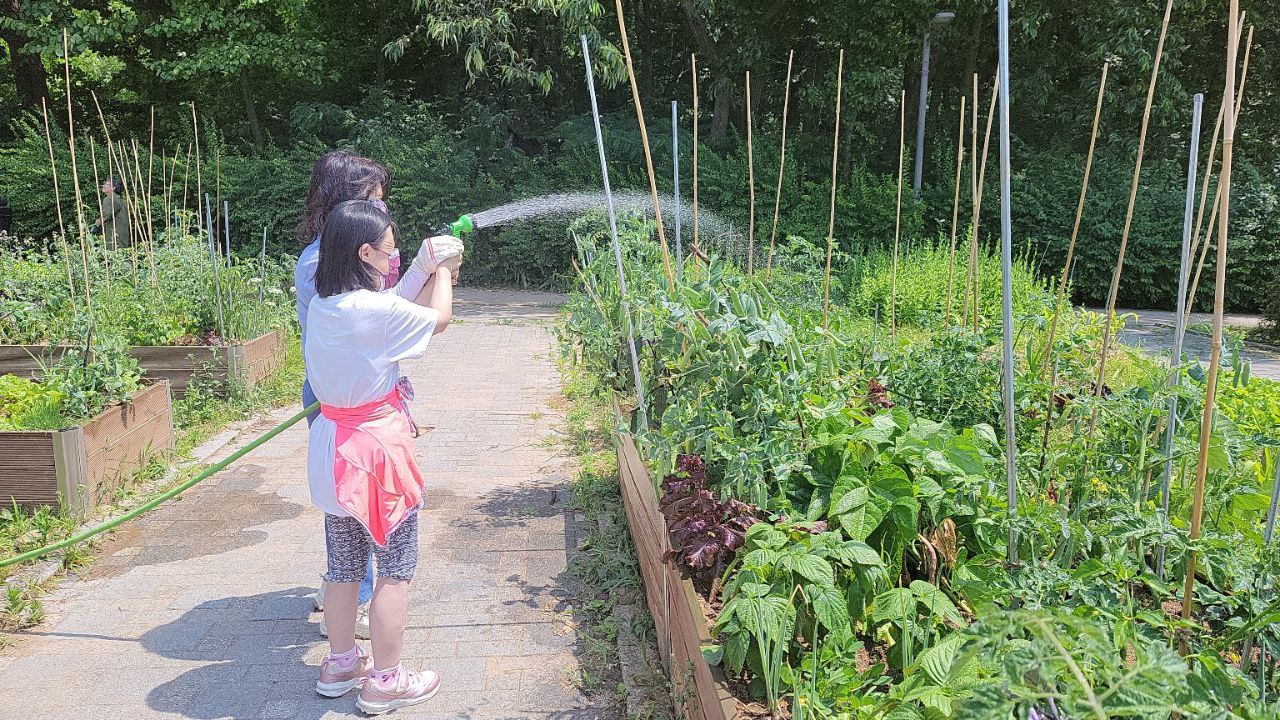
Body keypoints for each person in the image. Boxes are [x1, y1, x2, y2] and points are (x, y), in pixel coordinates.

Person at [305, 200, 460, 712]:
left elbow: (389, 306)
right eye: (389, 251)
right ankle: (388, 679)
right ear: (365, 252)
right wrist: (442, 272)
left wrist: (418, 266)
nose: (392, 258)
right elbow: (438, 320)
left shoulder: (325, 305)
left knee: (343, 566)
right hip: (376, 456)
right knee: (395, 568)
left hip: (332, 451)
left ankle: (341, 662)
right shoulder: (373, 311)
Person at [89, 177, 130, 249]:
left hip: (114, 236)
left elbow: (106, 215)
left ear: (113, 187)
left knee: (112, 256)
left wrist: (97, 223)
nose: (103, 185)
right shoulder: (121, 200)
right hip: (123, 235)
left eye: (106, 184)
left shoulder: (108, 199)